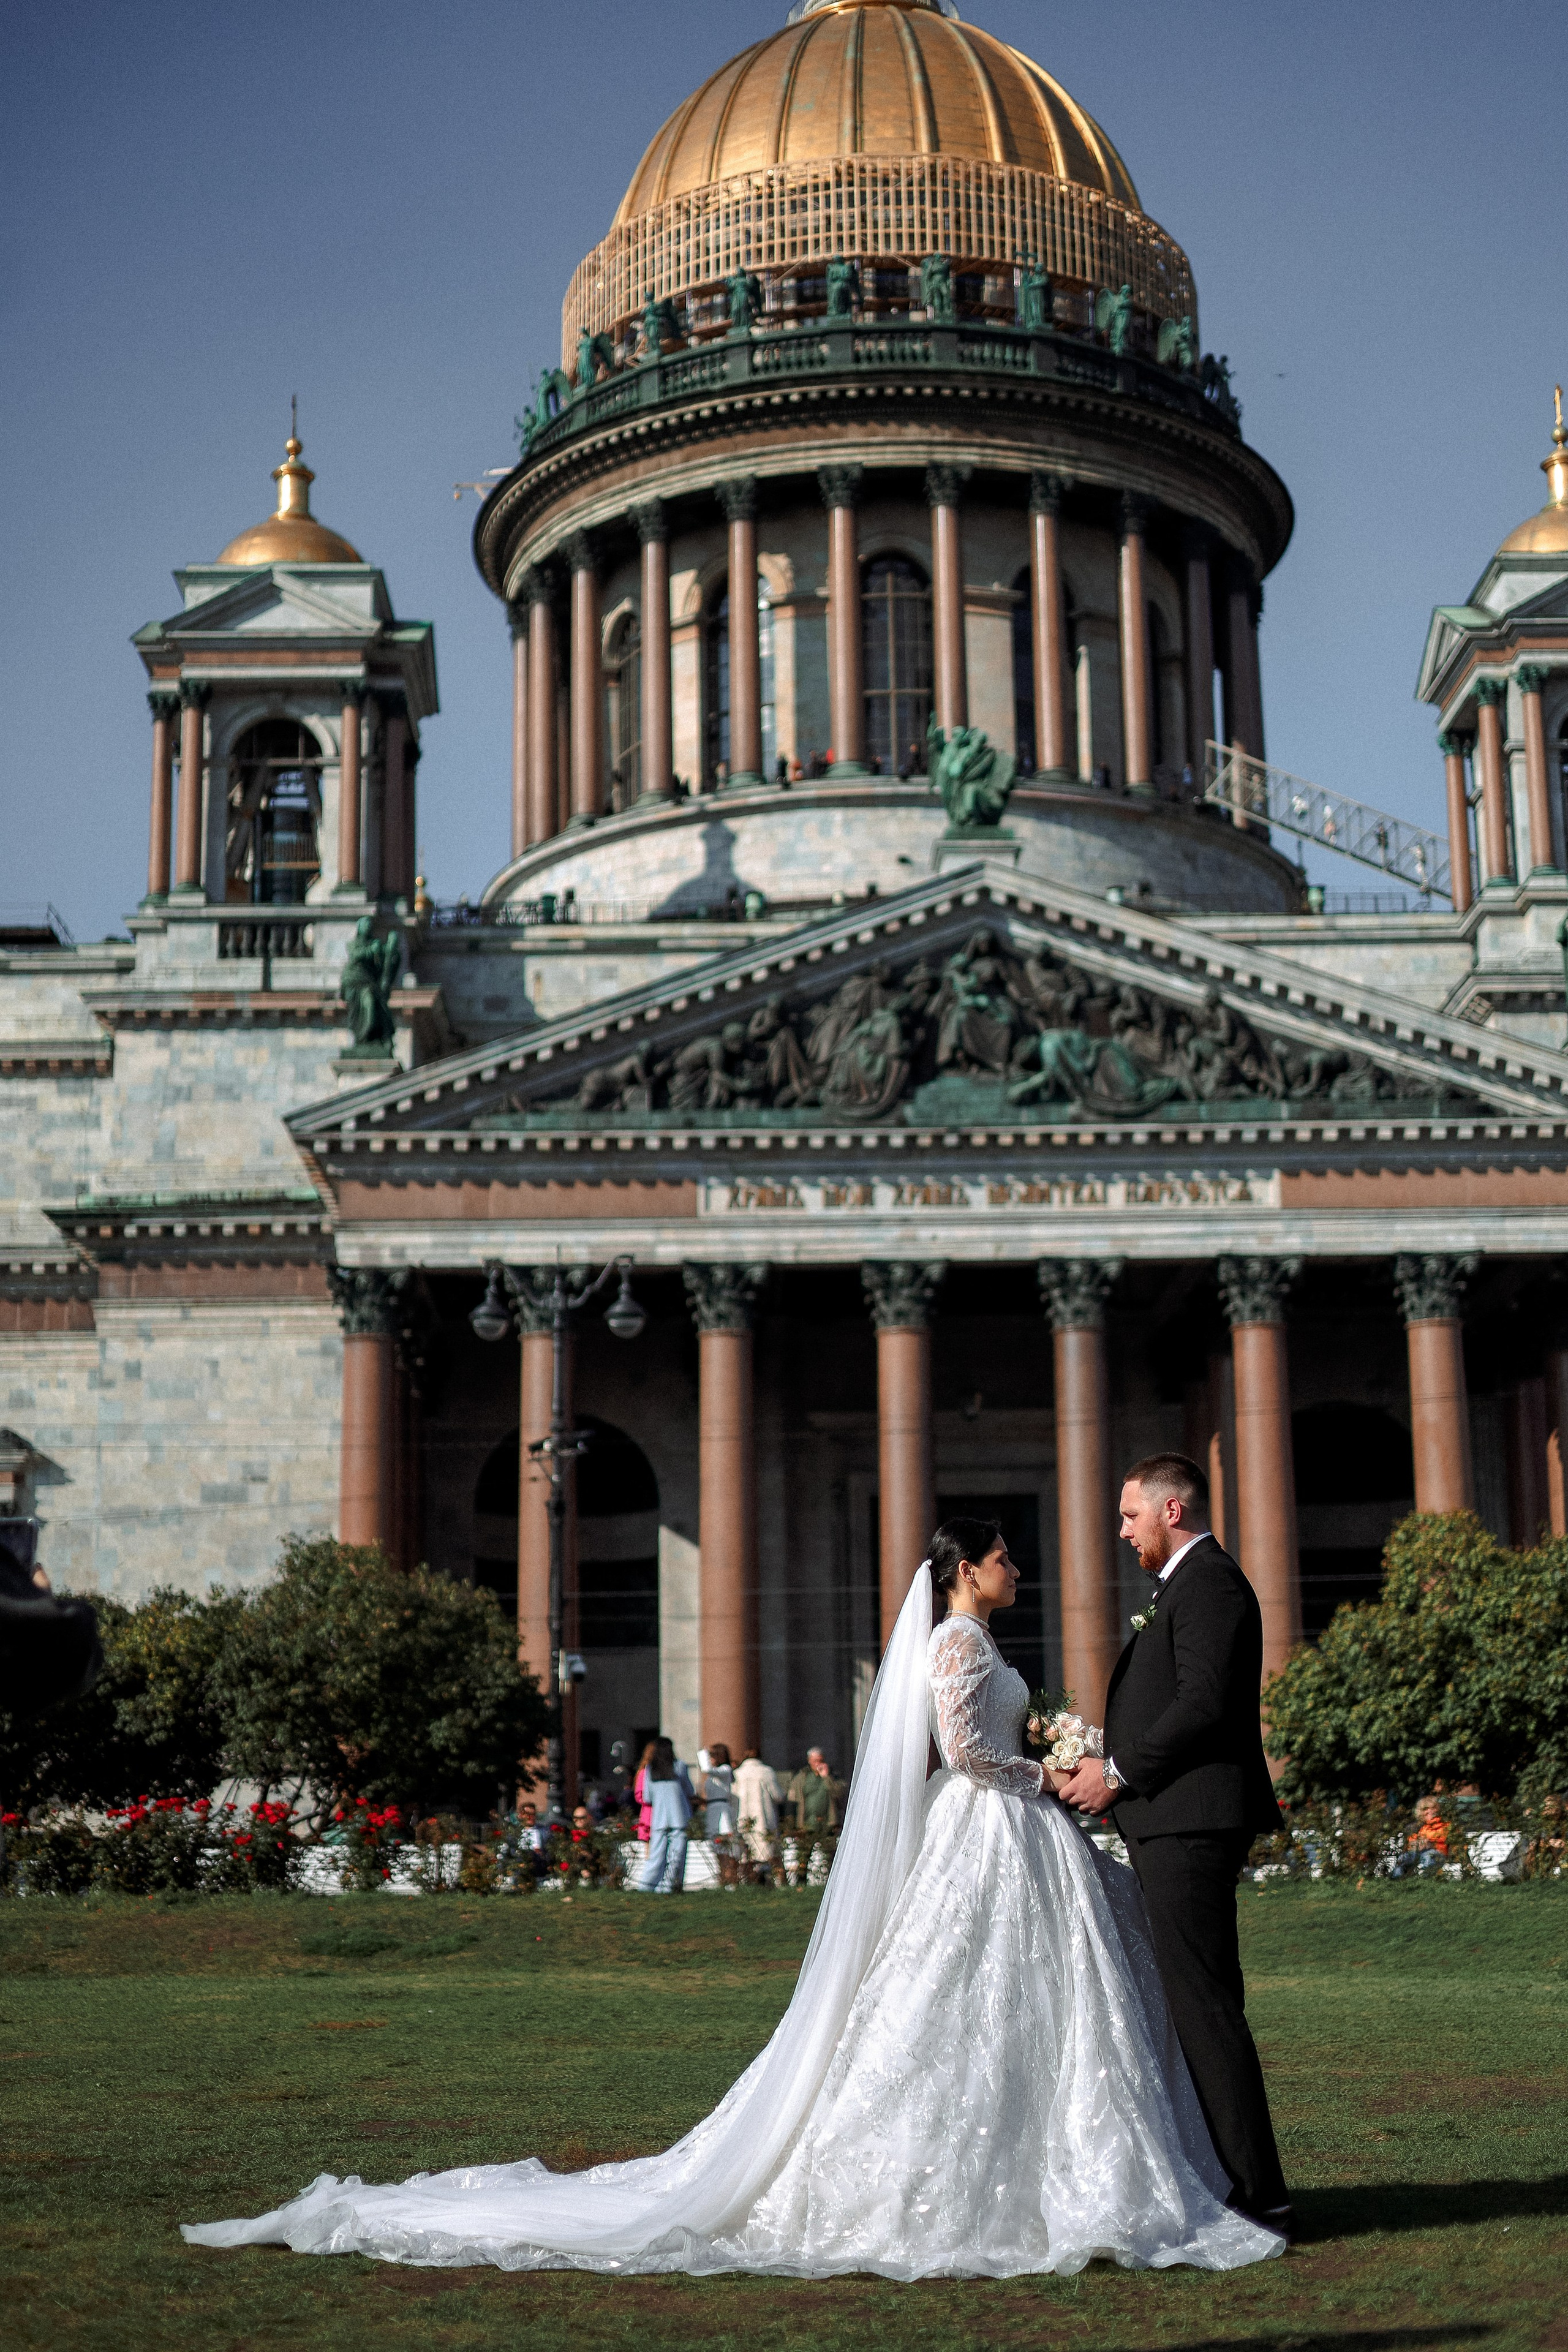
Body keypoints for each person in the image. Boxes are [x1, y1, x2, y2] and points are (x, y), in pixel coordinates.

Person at [184, 1519, 1281, 2275]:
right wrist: (1044, 1772)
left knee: (1024, 2010)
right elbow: (959, 1750)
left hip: (1016, 1835)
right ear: (964, 1571)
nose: (1018, 1568)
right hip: (993, 1824)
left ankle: (1056, 2164)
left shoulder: (976, 1639)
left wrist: (1042, 1762)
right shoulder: (953, 1643)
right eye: (1005, 1557)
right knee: (957, 2005)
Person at [1058, 1452, 1293, 2239]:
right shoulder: (1184, 1587)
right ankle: (1240, 2181)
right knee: (1197, 2004)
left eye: (1129, 1516)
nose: (1121, 1531)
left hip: (1189, 1825)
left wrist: (1117, 1773)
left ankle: (1258, 2196)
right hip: (1172, 1822)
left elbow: (1203, 1703)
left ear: (1170, 1511)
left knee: (1204, 2008)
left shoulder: (1211, 1584)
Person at [631, 1738, 692, 1894]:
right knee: (677, 1857)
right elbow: (689, 1790)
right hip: (679, 1818)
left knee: (655, 1857)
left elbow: (647, 1797)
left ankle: (646, 1886)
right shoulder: (680, 1767)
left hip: (659, 1820)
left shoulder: (650, 1770)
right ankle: (669, 1887)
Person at [733, 1746, 782, 1868]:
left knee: (747, 1850)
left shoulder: (738, 1773)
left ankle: (749, 1878)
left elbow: (733, 1797)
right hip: (764, 1817)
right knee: (767, 1849)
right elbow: (778, 1796)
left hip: (743, 1817)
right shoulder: (766, 1772)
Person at [785, 1746, 844, 1833]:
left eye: (821, 1761)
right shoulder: (802, 1777)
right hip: (807, 1824)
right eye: (815, 1761)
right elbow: (793, 1799)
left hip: (828, 1823)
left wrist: (827, 1777)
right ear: (809, 1761)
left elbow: (838, 1793)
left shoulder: (833, 1776)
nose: (818, 1764)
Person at [698, 1743, 737, 1841]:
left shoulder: (725, 1770)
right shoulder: (713, 1775)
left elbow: (706, 1769)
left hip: (721, 1806)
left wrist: (704, 1754)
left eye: (712, 1756)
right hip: (711, 1807)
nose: (710, 1759)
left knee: (723, 1839)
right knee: (713, 1840)